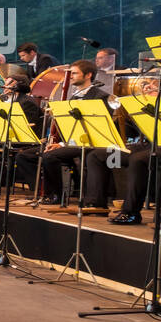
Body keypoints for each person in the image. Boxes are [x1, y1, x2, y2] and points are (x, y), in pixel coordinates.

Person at [14, 59, 111, 209]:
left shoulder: (100, 96)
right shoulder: (74, 97)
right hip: (72, 142)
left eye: (75, 73)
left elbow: (96, 128)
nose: (70, 76)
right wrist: (58, 142)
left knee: (50, 156)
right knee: (25, 155)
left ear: (88, 75)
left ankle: (56, 195)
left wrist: (61, 144)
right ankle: (44, 191)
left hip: (90, 143)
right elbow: (69, 128)